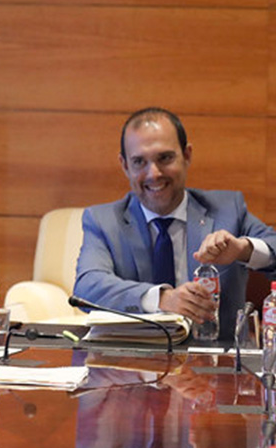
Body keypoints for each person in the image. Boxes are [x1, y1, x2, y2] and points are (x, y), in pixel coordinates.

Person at [74, 107, 276, 340]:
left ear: (187, 155)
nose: (154, 173)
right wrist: (162, 299)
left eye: (165, 158)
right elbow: (87, 287)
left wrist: (243, 250)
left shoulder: (228, 209)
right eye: (139, 161)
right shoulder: (103, 221)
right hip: (135, 363)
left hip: (217, 364)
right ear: (124, 165)